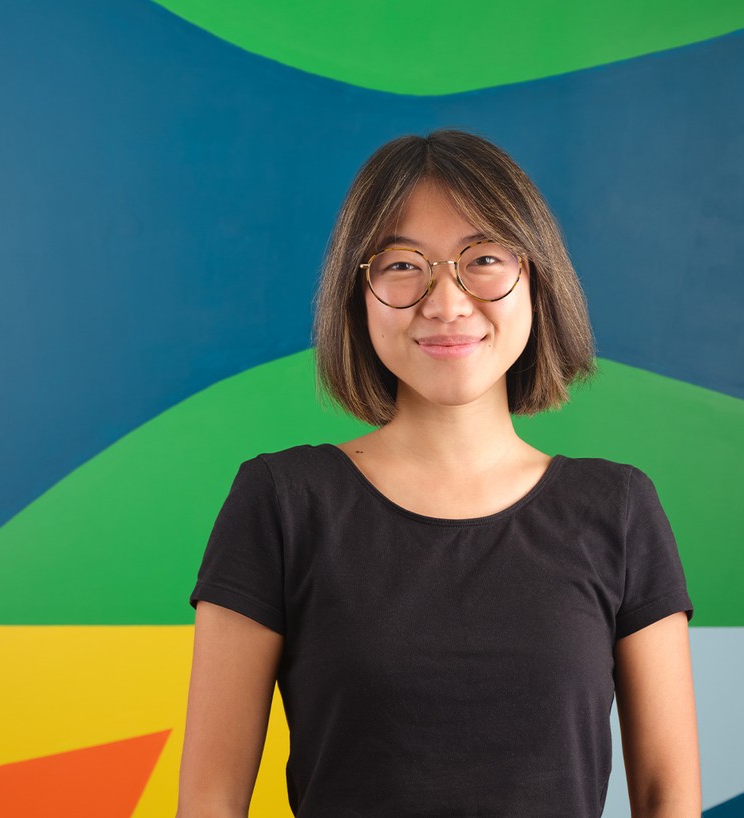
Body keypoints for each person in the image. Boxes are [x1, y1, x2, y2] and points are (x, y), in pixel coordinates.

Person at [177, 130, 700, 817]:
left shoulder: (619, 509)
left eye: (482, 258)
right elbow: (211, 801)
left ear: (538, 279)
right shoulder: (281, 503)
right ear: (355, 293)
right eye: (401, 264)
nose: (446, 302)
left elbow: (668, 797)